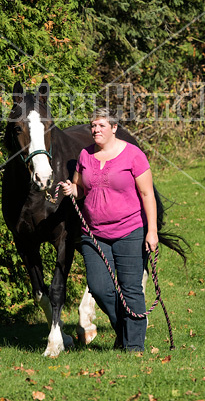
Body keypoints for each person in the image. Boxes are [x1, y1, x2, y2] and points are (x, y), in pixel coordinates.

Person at [61, 108, 158, 352]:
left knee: (130, 288)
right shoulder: (85, 155)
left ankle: (134, 346)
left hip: (130, 230)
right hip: (93, 233)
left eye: (101, 125)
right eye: (93, 126)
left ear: (114, 128)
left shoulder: (133, 155)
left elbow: (147, 194)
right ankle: (126, 328)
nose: (96, 130)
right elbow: (80, 188)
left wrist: (152, 231)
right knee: (99, 287)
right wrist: (70, 190)